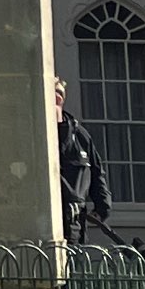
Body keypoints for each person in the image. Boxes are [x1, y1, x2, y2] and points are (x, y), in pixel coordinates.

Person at [55, 78, 113, 247]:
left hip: (74, 220)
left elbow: (96, 172)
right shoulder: (35, 133)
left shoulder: (80, 135)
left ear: (57, 100)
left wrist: (103, 208)